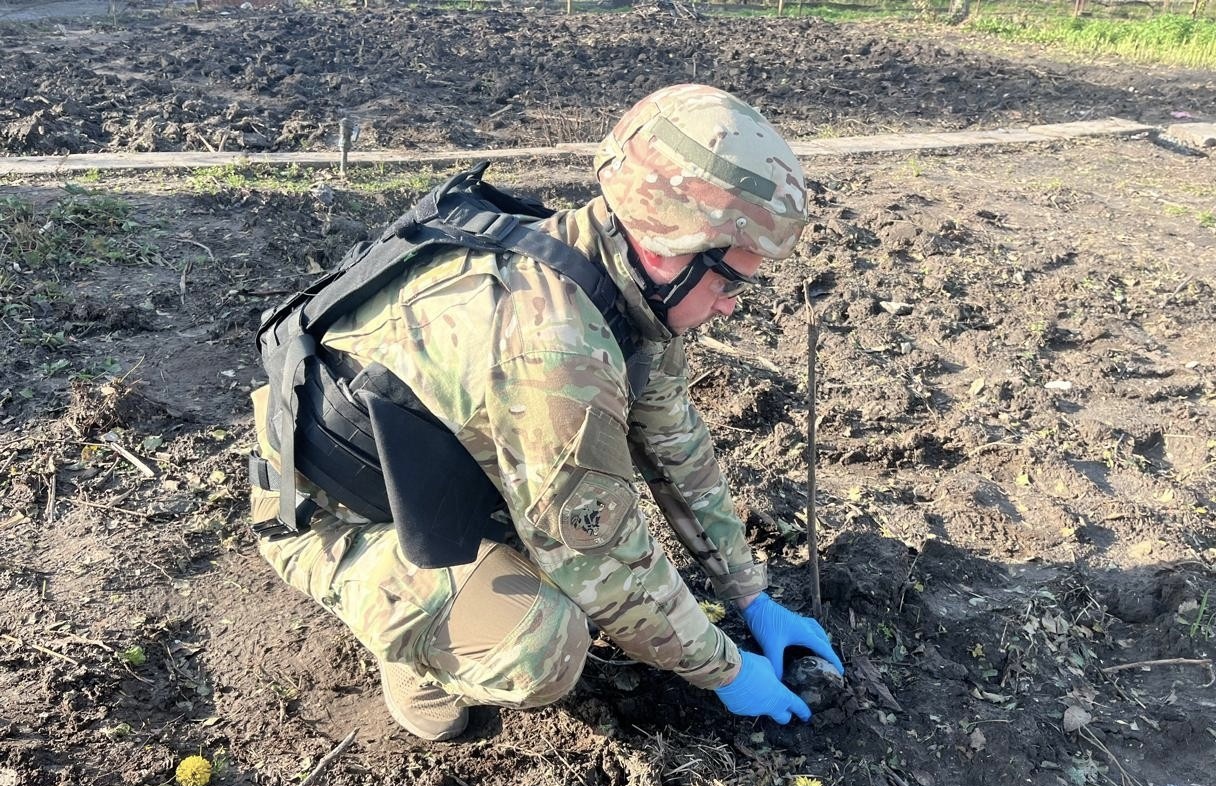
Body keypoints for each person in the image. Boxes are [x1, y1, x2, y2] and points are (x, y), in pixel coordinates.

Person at [249, 83, 844, 741]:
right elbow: (601, 566)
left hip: (426, 463)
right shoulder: (554, 350)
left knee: (572, 537)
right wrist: (725, 671)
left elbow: (674, 442)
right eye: (727, 280)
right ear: (668, 244)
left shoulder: (615, 276)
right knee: (544, 642)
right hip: (329, 512)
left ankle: (475, 560)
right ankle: (413, 645)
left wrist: (749, 594)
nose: (730, 304)